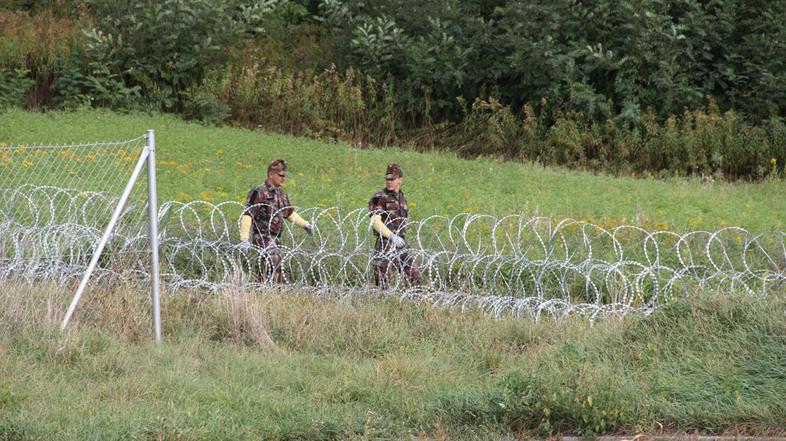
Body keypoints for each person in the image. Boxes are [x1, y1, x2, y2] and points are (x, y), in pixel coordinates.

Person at [239, 159, 314, 283]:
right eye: (280, 175)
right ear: (271, 175)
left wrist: (305, 224)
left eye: (284, 176)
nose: (283, 179)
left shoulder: (281, 194)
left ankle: (264, 291)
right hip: (262, 237)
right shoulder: (259, 191)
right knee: (274, 264)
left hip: (276, 238)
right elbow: (248, 214)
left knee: (274, 267)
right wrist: (244, 239)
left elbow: (289, 213)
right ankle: (272, 291)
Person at [368, 163, 421, 289]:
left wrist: (399, 239)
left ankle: (416, 304)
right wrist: (391, 236)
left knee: (415, 276)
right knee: (382, 281)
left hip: (402, 242)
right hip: (386, 243)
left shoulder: (402, 197)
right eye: (387, 178)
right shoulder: (379, 197)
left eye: (392, 179)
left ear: (400, 179)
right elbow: (375, 221)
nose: (389, 181)